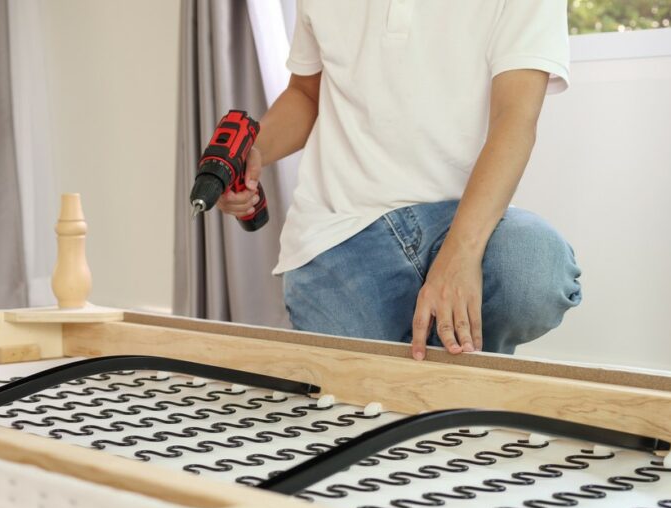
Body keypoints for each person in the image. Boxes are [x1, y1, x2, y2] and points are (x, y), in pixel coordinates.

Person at [217, 0, 582, 360]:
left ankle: (455, 381)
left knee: (534, 267)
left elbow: (514, 117)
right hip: (337, 232)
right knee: (354, 406)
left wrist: (461, 255)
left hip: (463, 217)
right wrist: (255, 149)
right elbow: (305, 93)